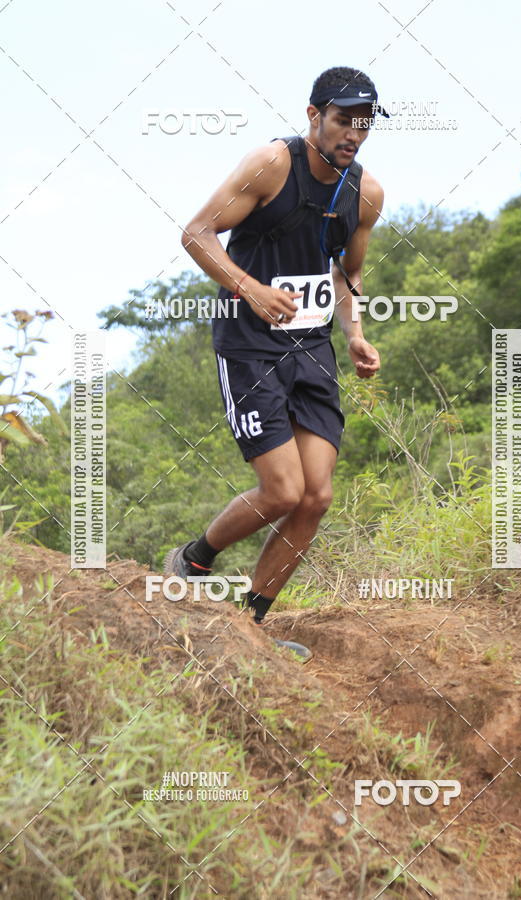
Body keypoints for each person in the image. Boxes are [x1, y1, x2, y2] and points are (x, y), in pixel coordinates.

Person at [165, 66, 386, 661]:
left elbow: (347, 273)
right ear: (314, 115)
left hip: (312, 348)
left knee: (316, 496)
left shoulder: (365, 193)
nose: (354, 134)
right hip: (250, 345)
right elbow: (197, 233)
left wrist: (355, 334)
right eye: (343, 120)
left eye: (364, 123)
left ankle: (251, 628)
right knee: (284, 490)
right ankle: (192, 560)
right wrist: (250, 289)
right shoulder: (270, 165)